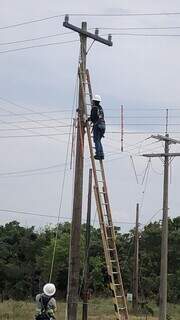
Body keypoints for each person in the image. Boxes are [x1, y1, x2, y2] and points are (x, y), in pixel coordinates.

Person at [89, 94, 106, 160]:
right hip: (103, 126)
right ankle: (101, 155)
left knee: (96, 140)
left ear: (94, 101)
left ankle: (98, 155)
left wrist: (88, 119)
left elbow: (93, 117)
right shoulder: (100, 108)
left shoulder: (94, 108)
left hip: (98, 126)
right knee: (99, 141)